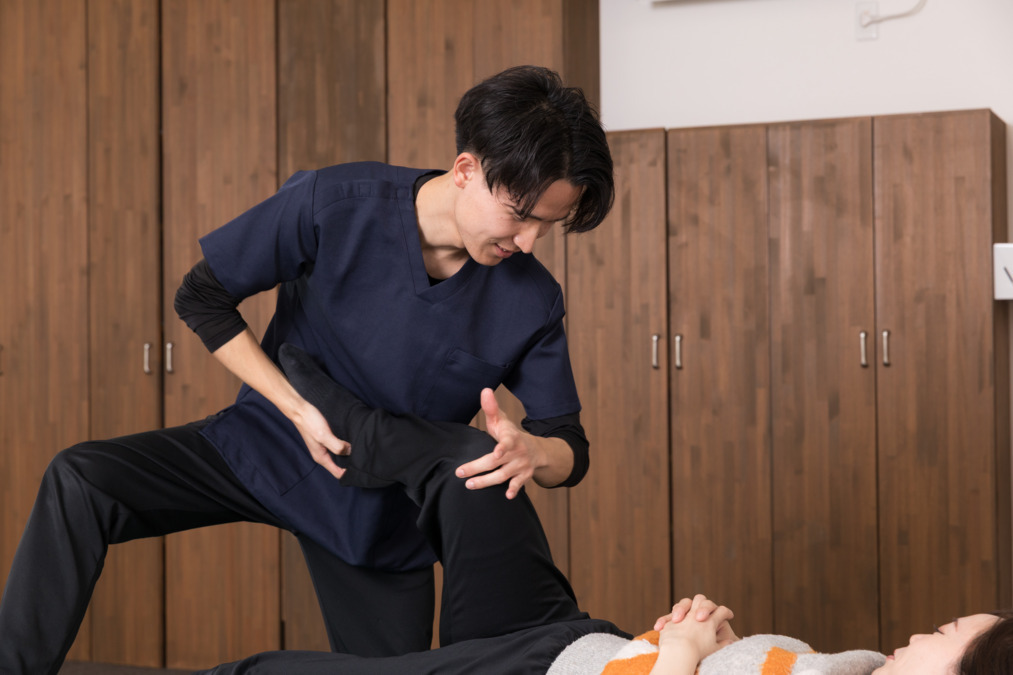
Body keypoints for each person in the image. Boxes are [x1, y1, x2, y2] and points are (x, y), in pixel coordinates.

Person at [0, 65, 614, 673]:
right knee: (81, 478)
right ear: (466, 170)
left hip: (379, 513)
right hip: (267, 447)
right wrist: (295, 408)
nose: (530, 241)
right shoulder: (335, 204)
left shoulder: (530, 298)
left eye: (549, 225)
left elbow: (570, 447)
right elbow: (202, 297)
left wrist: (533, 453)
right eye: (519, 214)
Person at [201, 345, 1013, 675]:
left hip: (531, 671)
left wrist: (686, 649)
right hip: (576, 635)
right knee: (479, 465)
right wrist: (715, 640)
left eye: (948, 636)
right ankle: (304, 377)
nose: (927, 628)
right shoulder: (863, 666)